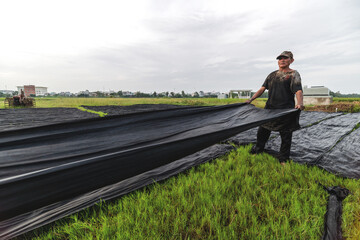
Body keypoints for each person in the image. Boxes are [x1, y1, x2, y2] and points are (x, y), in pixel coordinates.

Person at [246, 51, 304, 165]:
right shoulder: (272, 75)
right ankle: (258, 150)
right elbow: (262, 89)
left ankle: (283, 159)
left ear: (291, 60)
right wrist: (251, 99)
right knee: (262, 131)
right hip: (270, 110)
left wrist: (300, 103)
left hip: (285, 111)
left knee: (286, 135)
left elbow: (298, 90)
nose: (282, 60)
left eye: (285, 58)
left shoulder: (293, 74)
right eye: (280, 58)